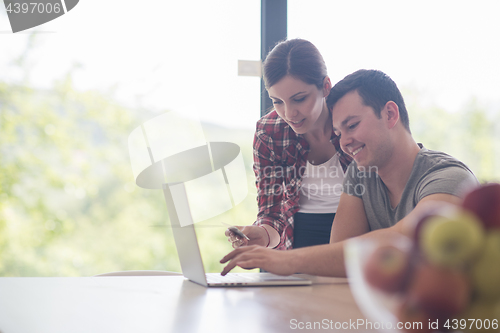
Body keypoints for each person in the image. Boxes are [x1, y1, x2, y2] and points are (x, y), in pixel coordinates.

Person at [220, 69, 478, 277]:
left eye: (352, 125)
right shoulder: (360, 175)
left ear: (390, 114)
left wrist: (287, 260)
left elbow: (409, 236)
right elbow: (341, 258)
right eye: (339, 133)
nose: (344, 143)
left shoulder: (449, 177)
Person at [225, 38, 352, 250]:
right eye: (277, 102)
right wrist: (262, 236)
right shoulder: (269, 133)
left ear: (325, 87)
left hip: (357, 242)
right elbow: (272, 212)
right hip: (295, 246)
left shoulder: (352, 121)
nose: (289, 113)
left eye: (299, 99)